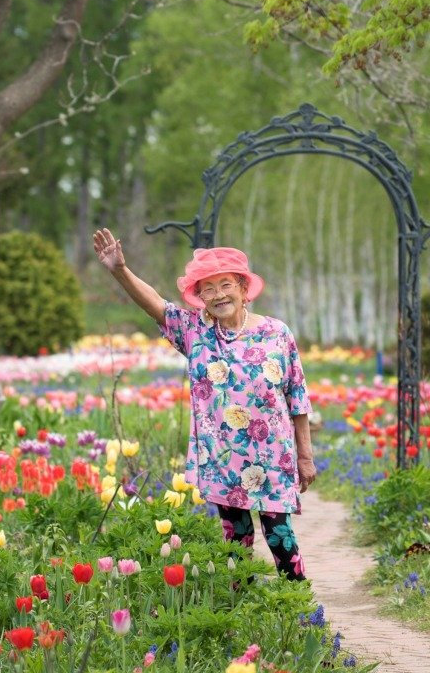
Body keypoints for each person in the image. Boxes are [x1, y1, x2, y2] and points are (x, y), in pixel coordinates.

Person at [92, 228, 316, 581]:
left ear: (244, 289)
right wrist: (120, 269)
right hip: (223, 458)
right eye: (207, 288)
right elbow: (155, 304)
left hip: (273, 456)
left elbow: (297, 398)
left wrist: (305, 455)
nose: (218, 294)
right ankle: (241, 614)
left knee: (281, 538)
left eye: (226, 284)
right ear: (199, 297)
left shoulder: (276, 333)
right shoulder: (194, 331)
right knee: (235, 544)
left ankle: (298, 609)